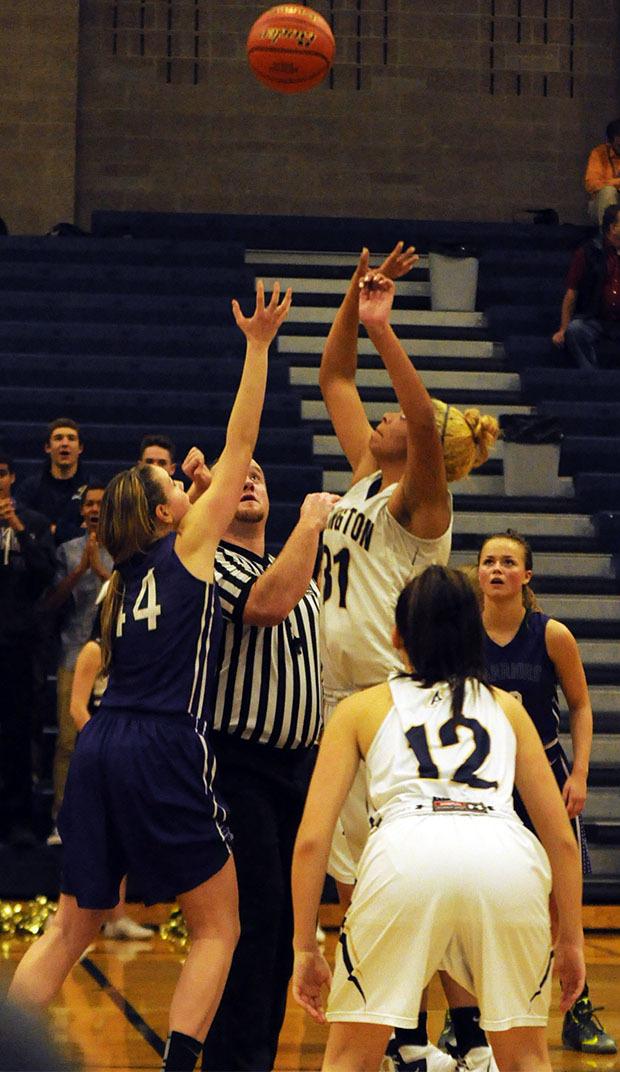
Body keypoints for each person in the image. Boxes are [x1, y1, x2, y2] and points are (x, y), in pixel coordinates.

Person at [8, 279, 292, 1072]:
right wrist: (259, 347)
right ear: (167, 515)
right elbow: (240, 444)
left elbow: (197, 491)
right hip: (164, 739)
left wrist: (189, 491)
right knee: (219, 926)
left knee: (72, 925)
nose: (186, 483)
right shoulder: (186, 549)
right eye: (173, 486)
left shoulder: (123, 574)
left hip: (103, 741)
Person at [291, 565, 586, 1072]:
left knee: (348, 1059)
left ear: (397, 635)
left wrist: (304, 947)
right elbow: (560, 837)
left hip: (405, 854)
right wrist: (572, 939)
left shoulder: (361, 709)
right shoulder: (508, 710)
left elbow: (312, 842)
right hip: (505, 857)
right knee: (527, 1060)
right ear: (476, 634)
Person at [318, 248, 499, 1069]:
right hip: (336, 701)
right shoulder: (366, 473)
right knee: (367, 883)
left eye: (402, 414)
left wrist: (387, 329)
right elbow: (336, 382)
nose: (385, 415)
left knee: (379, 883)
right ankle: (436, 1037)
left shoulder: (425, 501)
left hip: (389, 701)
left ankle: (422, 1038)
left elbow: (419, 419)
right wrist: (354, 303)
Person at [181, 447, 338, 1072]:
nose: (249, 480)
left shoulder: (293, 562)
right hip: (237, 764)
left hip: (299, 771)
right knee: (253, 926)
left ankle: (257, 1059)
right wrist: (310, 522)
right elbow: (267, 604)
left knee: (282, 939)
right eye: (235, 478)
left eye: (258, 475)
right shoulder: (210, 562)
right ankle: (233, 1062)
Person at [477, 529, 617, 1056]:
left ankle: (575, 1009)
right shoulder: (465, 634)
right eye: (488, 560)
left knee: (563, 895)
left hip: (545, 772)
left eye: (508, 562)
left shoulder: (552, 634)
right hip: (487, 777)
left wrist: (579, 774)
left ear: (526, 576)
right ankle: (469, 1017)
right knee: (482, 892)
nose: (496, 569)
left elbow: (580, 706)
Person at [68, 613, 154, 941]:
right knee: (94, 837)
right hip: (98, 751)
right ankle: (75, 921)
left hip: (123, 750)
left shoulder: (130, 652)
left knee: (119, 834)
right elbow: (77, 707)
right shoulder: (93, 650)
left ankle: (117, 916)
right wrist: (104, 745)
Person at [45, 484, 113, 845]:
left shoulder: (124, 550)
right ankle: (62, 819)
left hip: (115, 658)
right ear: (81, 509)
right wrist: (81, 569)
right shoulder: (67, 551)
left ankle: (108, 819)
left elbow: (127, 591)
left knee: (113, 745)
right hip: (73, 653)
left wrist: (101, 570)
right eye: (89, 503)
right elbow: (52, 602)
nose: (94, 509)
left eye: (101, 504)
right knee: (69, 742)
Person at [0, 451, 57, 846]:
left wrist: (18, 527)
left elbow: (45, 574)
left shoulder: (33, 522)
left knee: (18, 733)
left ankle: (17, 817)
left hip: (20, 643)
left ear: (12, 478)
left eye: (0, 473)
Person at [551, 203, 620, 368]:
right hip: (594, 317)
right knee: (575, 330)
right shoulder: (588, 252)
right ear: (613, 227)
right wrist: (563, 328)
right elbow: (571, 292)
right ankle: (591, 376)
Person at [18, 417, 90, 542]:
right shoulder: (29, 488)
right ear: (47, 447)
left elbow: (95, 532)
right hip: (37, 558)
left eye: (71, 438)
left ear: (80, 448)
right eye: (58, 438)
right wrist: (71, 532)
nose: (65, 443)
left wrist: (50, 529)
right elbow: (21, 525)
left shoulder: (92, 488)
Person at [585, 118, 620, 227]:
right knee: (608, 192)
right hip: (603, 204)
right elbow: (591, 184)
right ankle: (607, 240)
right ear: (610, 142)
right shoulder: (599, 153)